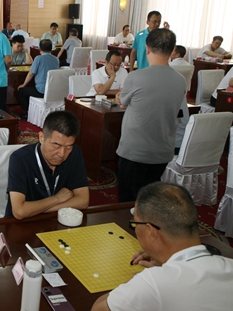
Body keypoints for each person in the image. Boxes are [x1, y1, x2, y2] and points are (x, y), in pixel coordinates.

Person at [91, 182, 233, 311]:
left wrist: (135, 281)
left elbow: (98, 309)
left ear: (151, 231)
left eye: (135, 224)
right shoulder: (229, 265)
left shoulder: (152, 283)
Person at [116, 28, 186, 202]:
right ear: (172, 50)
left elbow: (123, 102)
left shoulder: (135, 77)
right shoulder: (180, 80)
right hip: (162, 151)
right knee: (149, 199)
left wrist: (119, 97)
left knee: (127, 201)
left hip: (134, 150)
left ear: (147, 48)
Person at [5, 110, 89, 219]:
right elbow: (19, 212)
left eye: (68, 147)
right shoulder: (20, 159)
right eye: (56, 145)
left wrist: (36, 210)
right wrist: (56, 199)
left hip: (55, 219)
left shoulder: (75, 154)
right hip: (22, 223)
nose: (62, 154)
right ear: (41, 137)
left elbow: (83, 201)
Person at [17, 39, 59, 115]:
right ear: (51, 49)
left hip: (41, 91)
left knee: (22, 91)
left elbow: (31, 74)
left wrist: (23, 85)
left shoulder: (38, 58)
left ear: (40, 49)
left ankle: (26, 112)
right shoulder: (56, 59)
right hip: (53, 90)